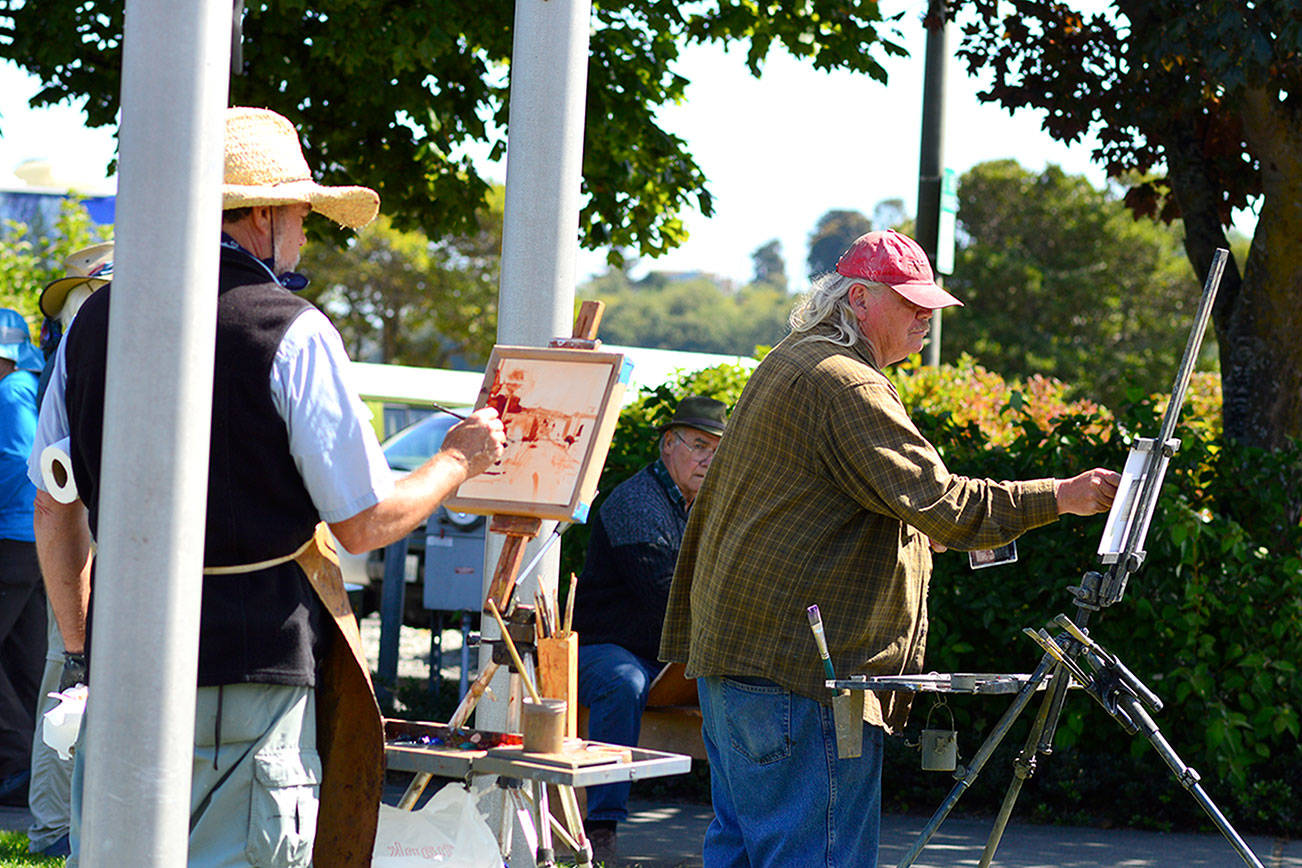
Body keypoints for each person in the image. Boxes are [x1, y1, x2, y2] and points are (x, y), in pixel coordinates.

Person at [28, 106, 506, 868]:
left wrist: (86, 649)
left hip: (124, 664)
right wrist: (457, 460)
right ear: (260, 216)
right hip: (248, 670)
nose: (306, 234)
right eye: (300, 213)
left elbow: (55, 507)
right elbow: (365, 523)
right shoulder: (292, 328)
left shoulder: (93, 319)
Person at [659, 229, 1120, 868]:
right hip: (799, 675)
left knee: (741, 850)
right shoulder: (848, 383)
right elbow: (947, 504)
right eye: (912, 304)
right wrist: (1063, 495)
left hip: (742, 661)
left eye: (930, 304)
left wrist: (910, 532)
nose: (926, 317)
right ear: (859, 300)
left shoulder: (793, 360)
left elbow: (822, 503)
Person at [571, 394, 727, 859]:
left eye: (718, 450)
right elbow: (664, 596)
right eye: (699, 446)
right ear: (667, 445)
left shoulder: (707, 505)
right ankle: (601, 827)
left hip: (666, 654)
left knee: (748, 682)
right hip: (607, 647)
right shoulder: (635, 501)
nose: (708, 459)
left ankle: (746, 831)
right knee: (623, 682)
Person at [24, 242, 113, 858]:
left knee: (69, 675)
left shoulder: (76, 349)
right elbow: (54, 491)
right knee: (69, 675)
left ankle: (61, 825)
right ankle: (56, 826)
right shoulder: (86, 351)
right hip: (84, 538)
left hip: (84, 535)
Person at [0, 309, 45, 810]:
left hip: (10, 540)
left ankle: (16, 767)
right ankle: (29, 770)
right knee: (24, 657)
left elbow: (16, 462)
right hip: (30, 541)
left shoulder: (11, 391)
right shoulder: (25, 385)